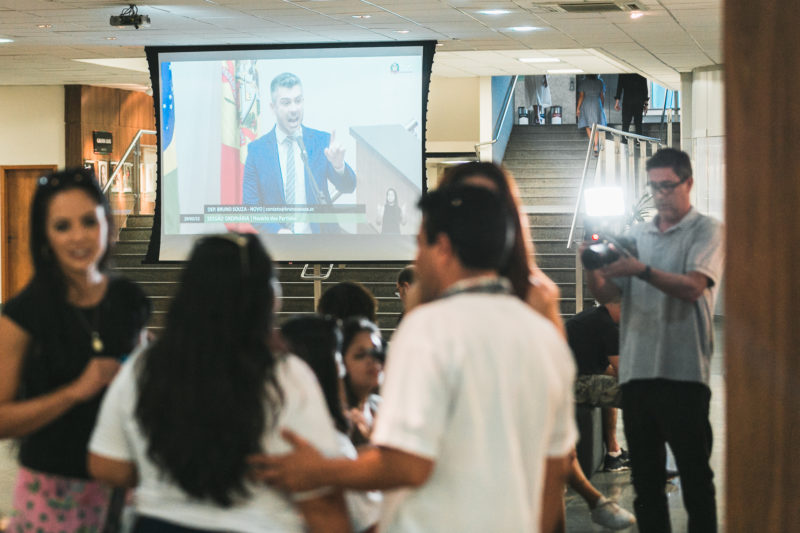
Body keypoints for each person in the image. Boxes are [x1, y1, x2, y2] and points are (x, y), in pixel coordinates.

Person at [252, 185, 577, 533]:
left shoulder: (429, 327)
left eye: (420, 244)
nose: (417, 258)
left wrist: (318, 470)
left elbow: (408, 465)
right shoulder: (545, 334)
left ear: (444, 248)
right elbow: (556, 464)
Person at [88, 234, 350, 533]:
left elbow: (106, 464)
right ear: (267, 299)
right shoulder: (286, 376)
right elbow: (322, 504)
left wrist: (165, 469)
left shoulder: (143, 367)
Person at [436, 162, 634, 530]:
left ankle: (597, 488)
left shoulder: (536, 292)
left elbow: (551, 408)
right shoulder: (432, 291)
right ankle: (596, 496)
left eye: (489, 207)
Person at [0, 168, 151, 533]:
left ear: (106, 223)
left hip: (124, 484)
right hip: (53, 490)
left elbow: (144, 390)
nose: (79, 237)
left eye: (89, 221)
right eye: (62, 226)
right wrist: (73, 392)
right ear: (45, 237)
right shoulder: (22, 314)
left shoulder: (129, 300)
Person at [581, 148, 724, 532]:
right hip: (638, 377)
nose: (660, 195)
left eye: (667, 186)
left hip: (684, 376)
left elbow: (694, 287)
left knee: (696, 482)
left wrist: (640, 269)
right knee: (647, 486)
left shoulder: (706, 230)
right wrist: (593, 268)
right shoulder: (638, 236)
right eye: (654, 187)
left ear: (688, 183)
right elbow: (606, 293)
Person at [280, 316, 381, 533]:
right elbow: (372, 525)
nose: (373, 362)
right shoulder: (329, 443)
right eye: (359, 355)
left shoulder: (274, 430)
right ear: (334, 366)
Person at [242, 72, 356, 234]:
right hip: (278, 247)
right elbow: (250, 205)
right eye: (286, 103)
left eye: (298, 101)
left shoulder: (321, 142)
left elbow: (348, 186)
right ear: (273, 108)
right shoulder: (257, 151)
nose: (294, 109)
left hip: (321, 245)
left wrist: (339, 166)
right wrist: (277, 231)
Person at [566, 301, 629, 472]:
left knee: (609, 387)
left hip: (570, 379)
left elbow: (607, 369)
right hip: (570, 386)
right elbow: (625, 374)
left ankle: (613, 453)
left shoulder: (595, 317)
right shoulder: (608, 326)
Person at [340, 317, 384, 447]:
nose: (372, 361)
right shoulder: (336, 418)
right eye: (360, 355)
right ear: (341, 362)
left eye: (376, 353)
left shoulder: (382, 407)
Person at [576, 74, 607, 156]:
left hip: (586, 102)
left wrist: (578, 108)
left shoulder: (583, 82)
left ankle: (592, 143)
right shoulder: (600, 82)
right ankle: (596, 146)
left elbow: (581, 96)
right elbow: (602, 96)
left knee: (587, 124)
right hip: (597, 102)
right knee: (596, 125)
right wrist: (602, 106)